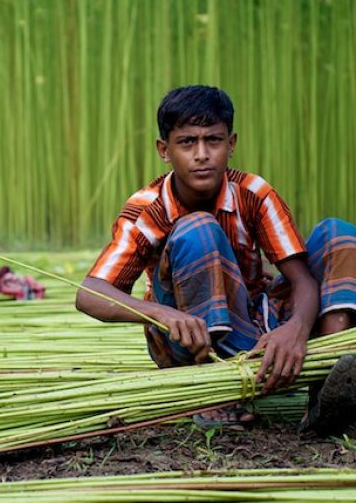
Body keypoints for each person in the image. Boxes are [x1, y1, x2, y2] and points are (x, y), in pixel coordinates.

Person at [75, 85, 356, 432]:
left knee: (338, 232)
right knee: (198, 229)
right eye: (187, 142)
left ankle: (326, 381)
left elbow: (301, 280)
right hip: (190, 341)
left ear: (231, 144)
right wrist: (162, 313)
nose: (202, 154)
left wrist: (295, 329)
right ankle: (216, 392)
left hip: (255, 326)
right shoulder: (148, 209)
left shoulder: (254, 194)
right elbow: (89, 293)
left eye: (214, 140)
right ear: (164, 150)